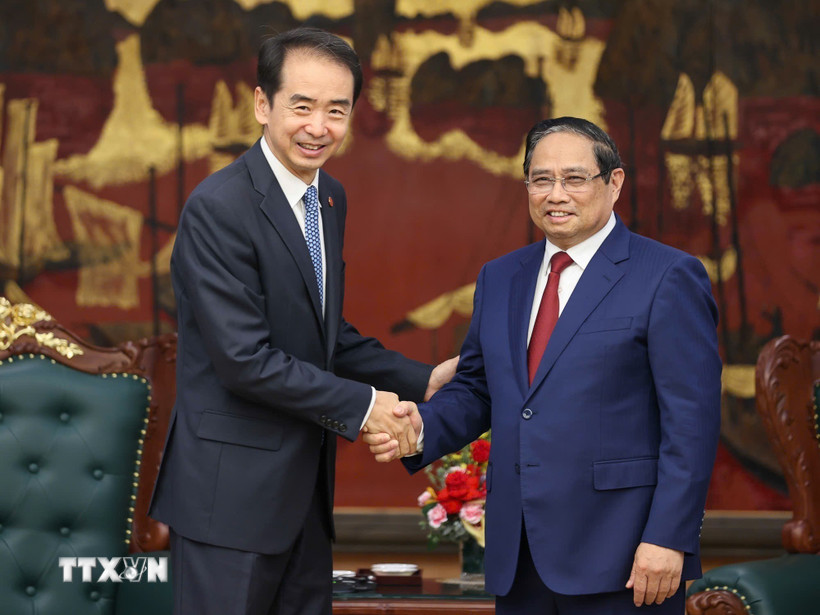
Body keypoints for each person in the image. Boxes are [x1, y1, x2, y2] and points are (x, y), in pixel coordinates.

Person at [149, 27, 455, 615]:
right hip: (230, 505)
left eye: (336, 110)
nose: (319, 127)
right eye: (302, 106)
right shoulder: (218, 207)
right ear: (262, 105)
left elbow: (322, 334)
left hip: (305, 501)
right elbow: (245, 360)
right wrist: (366, 407)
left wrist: (423, 380)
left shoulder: (328, 197)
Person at [365, 117, 722, 614]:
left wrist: (668, 537)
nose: (556, 194)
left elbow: (692, 422)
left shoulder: (667, 275)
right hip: (519, 556)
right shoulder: (500, 276)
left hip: (624, 555)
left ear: (614, 182)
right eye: (541, 179)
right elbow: (478, 388)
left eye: (574, 179)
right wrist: (419, 428)